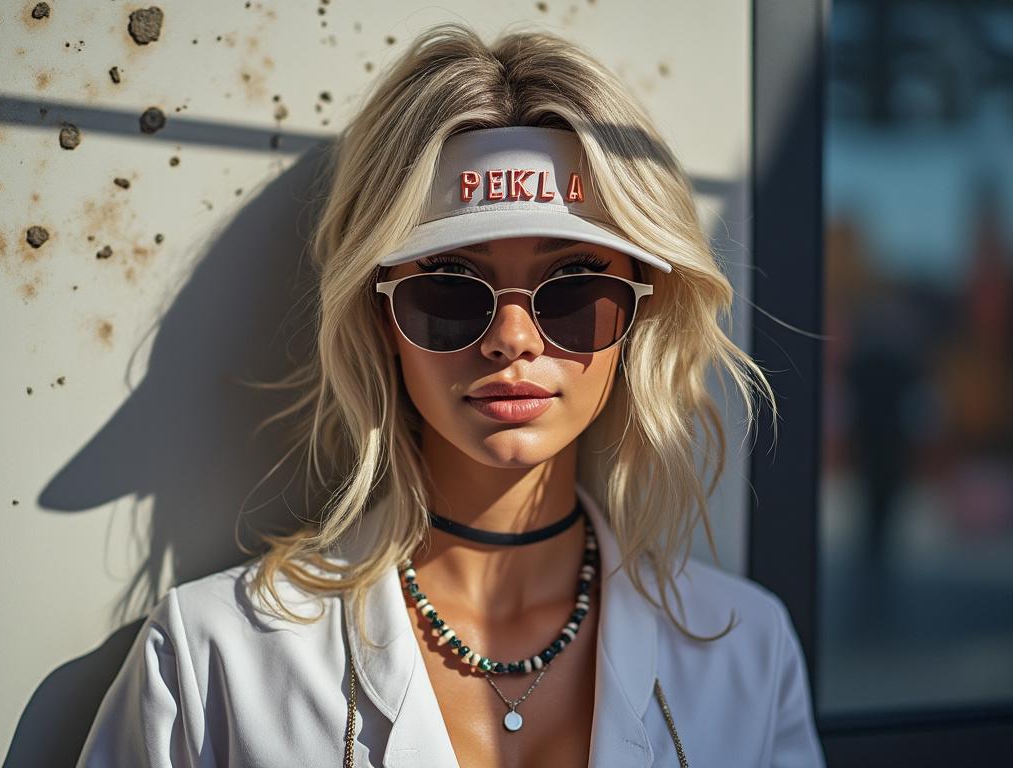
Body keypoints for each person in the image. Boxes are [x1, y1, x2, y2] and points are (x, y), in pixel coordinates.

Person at [76, 23, 827, 768]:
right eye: (447, 289)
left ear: (640, 312)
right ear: (380, 316)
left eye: (575, 290)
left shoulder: (745, 653)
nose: (512, 339)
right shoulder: (216, 660)